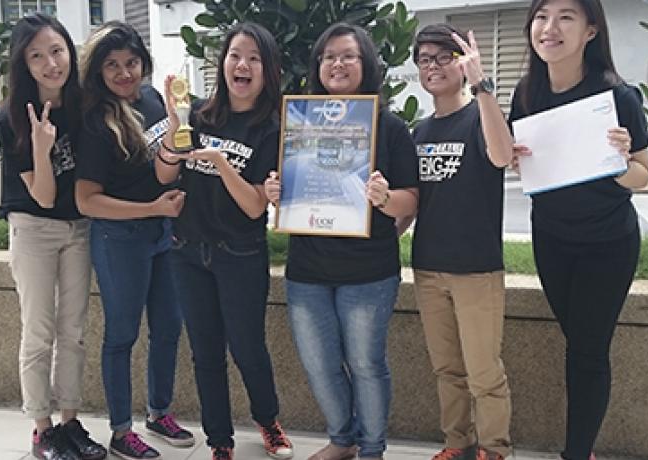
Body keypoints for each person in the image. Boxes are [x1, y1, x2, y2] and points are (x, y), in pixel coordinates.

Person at [265, 22, 419, 460]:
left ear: (365, 63)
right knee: (319, 365)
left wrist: (385, 198)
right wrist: (276, 191)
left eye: (348, 55)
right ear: (318, 66)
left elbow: (412, 200)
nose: (337, 64)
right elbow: (286, 189)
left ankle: (371, 449)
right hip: (308, 271)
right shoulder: (299, 124)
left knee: (367, 366)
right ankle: (343, 440)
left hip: (369, 273)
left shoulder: (388, 127)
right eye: (328, 56)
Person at [507, 1, 648, 459]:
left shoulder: (618, 96)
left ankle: (577, 453)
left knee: (587, 351)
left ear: (591, 31)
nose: (550, 28)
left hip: (607, 243)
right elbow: (523, 157)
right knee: (578, 342)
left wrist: (619, 163)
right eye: (542, 16)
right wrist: (515, 158)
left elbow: (643, 176)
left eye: (566, 17)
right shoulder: (526, 93)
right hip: (550, 238)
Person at [155, 22, 293, 460]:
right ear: (223, 63)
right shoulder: (196, 114)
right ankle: (220, 442)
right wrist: (172, 129)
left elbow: (255, 206)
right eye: (236, 54)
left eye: (254, 57)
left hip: (240, 253)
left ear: (267, 70)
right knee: (205, 352)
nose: (243, 64)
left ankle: (268, 420)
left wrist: (219, 161)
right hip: (187, 251)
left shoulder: (271, 129)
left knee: (248, 349)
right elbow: (164, 174)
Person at [75, 21, 194, 460]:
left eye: (131, 63)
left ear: (143, 63)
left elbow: (165, 166)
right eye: (113, 66)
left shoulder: (152, 100)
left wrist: (177, 131)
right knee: (122, 335)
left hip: (162, 233)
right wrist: (151, 209)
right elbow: (87, 200)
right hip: (119, 237)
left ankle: (158, 412)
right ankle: (121, 431)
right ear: (99, 73)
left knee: (168, 327)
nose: (125, 73)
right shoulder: (95, 122)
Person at [0, 13, 107, 460]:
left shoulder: (84, 106)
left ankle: (70, 422)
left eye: (57, 50)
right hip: (34, 229)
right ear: (24, 64)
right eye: (37, 56)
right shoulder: (12, 118)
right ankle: (43, 431)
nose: (50, 63)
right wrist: (41, 148)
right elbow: (42, 196)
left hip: (77, 228)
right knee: (39, 332)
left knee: (73, 331)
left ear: (70, 52)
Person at [407, 23, 514, 460]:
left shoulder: (481, 114)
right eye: (425, 59)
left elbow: (503, 155)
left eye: (443, 56)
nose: (434, 66)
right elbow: (412, 202)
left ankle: (495, 449)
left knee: (485, 373)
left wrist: (481, 83)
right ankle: (458, 443)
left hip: (476, 269)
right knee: (447, 369)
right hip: (428, 267)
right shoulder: (418, 131)